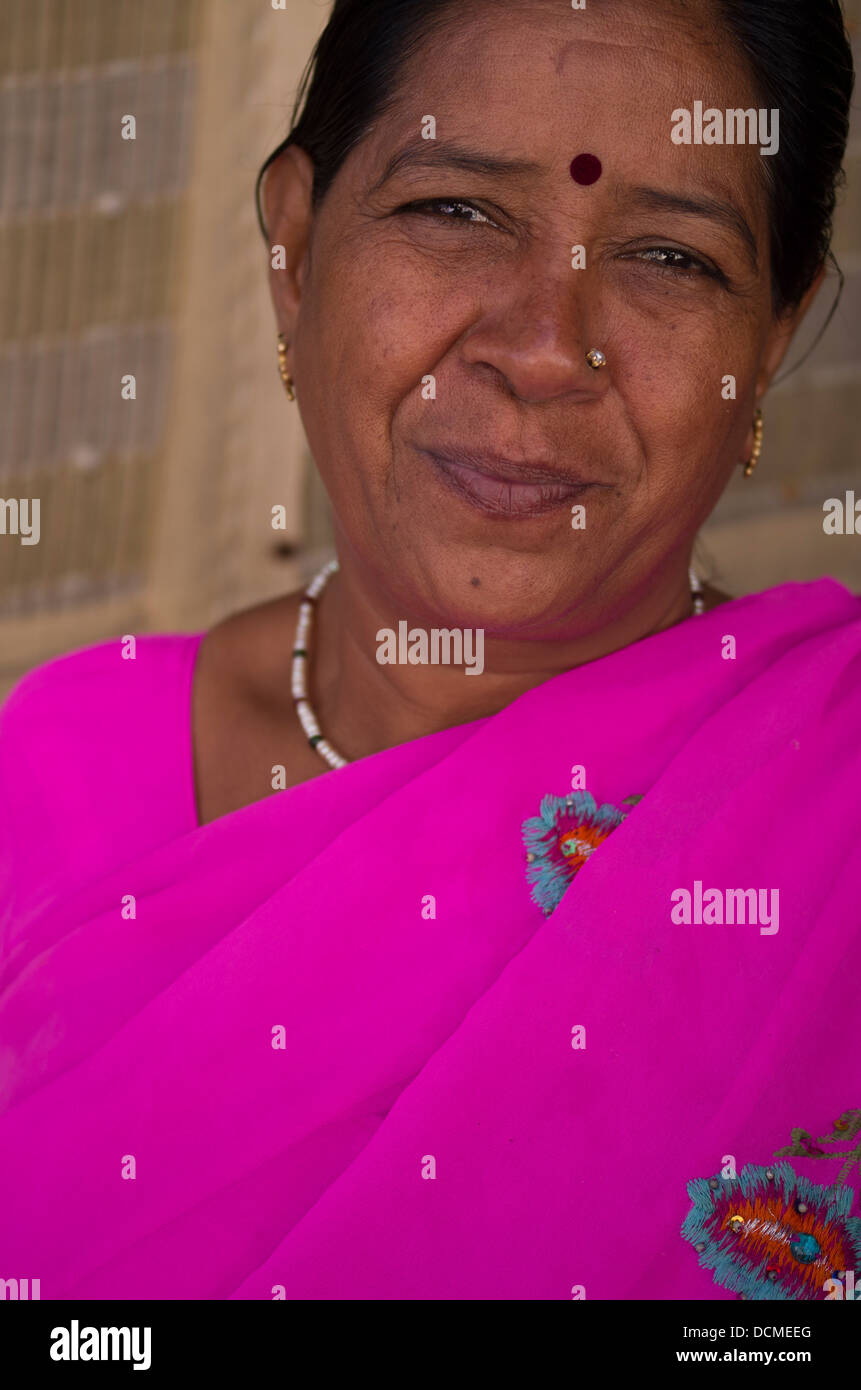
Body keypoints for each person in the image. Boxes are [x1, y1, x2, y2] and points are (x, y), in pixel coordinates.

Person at [1, 0, 859, 1301]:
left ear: (773, 335)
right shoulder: (56, 771)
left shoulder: (830, 791)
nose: (540, 350)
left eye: (668, 259)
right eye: (455, 210)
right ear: (293, 244)